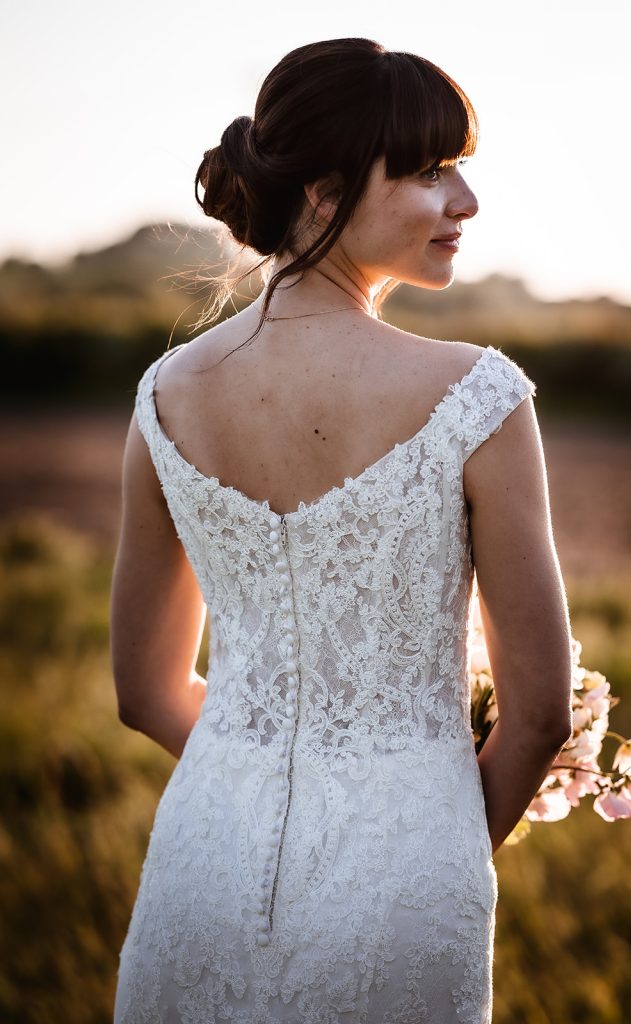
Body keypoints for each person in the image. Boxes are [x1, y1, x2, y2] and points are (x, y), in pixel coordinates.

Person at [110, 36, 573, 1024]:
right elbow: (539, 714)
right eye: (425, 171)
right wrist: (431, 835)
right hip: (409, 880)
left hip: (205, 857)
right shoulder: (477, 396)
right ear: (322, 192)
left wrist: (262, 772)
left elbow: (144, 693)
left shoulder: (162, 398)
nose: (464, 203)